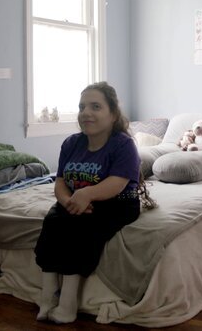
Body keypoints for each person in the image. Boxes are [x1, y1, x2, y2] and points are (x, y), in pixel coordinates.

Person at [34, 81, 155, 323]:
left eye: (96, 106)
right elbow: (60, 181)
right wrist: (67, 201)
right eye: (82, 107)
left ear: (113, 114)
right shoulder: (71, 143)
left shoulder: (123, 144)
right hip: (76, 200)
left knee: (80, 229)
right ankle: (48, 295)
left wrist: (87, 194)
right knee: (52, 223)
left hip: (118, 202)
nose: (86, 112)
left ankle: (67, 305)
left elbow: (118, 182)